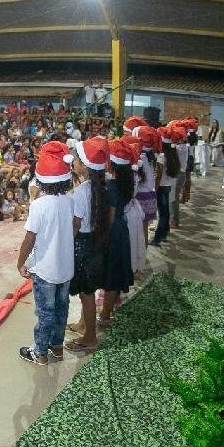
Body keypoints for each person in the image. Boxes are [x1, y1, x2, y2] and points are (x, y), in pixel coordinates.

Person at [16, 141, 77, 365]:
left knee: (44, 313)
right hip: (65, 268)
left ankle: (40, 353)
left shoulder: (39, 205)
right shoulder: (70, 201)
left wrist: (21, 262)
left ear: (40, 178)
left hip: (45, 270)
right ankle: (57, 348)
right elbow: (73, 229)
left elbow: (29, 239)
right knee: (61, 311)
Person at [66, 137, 110, 353]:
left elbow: (74, 226)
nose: (72, 162)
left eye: (75, 159)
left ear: (84, 166)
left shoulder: (81, 193)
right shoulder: (100, 187)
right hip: (95, 242)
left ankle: (90, 336)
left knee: (86, 293)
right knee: (89, 290)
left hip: (83, 246)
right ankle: (84, 324)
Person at [99, 140, 136, 324]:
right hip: (122, 228)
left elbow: (111, 216)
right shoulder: (126, 182)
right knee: (115, 271)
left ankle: (105, 315)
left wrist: (102, 237)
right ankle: (108, 311)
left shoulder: (113, 185)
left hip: (113, 230)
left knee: (111, 274)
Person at [150, 127, 180, 246]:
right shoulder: (172, 153)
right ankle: (165, 232)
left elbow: (158, 175)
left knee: (162, 213)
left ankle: (157, 237)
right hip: (167, 185)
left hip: (161, 187)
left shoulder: (162, 156)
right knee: (165, 211)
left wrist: (154, 189)